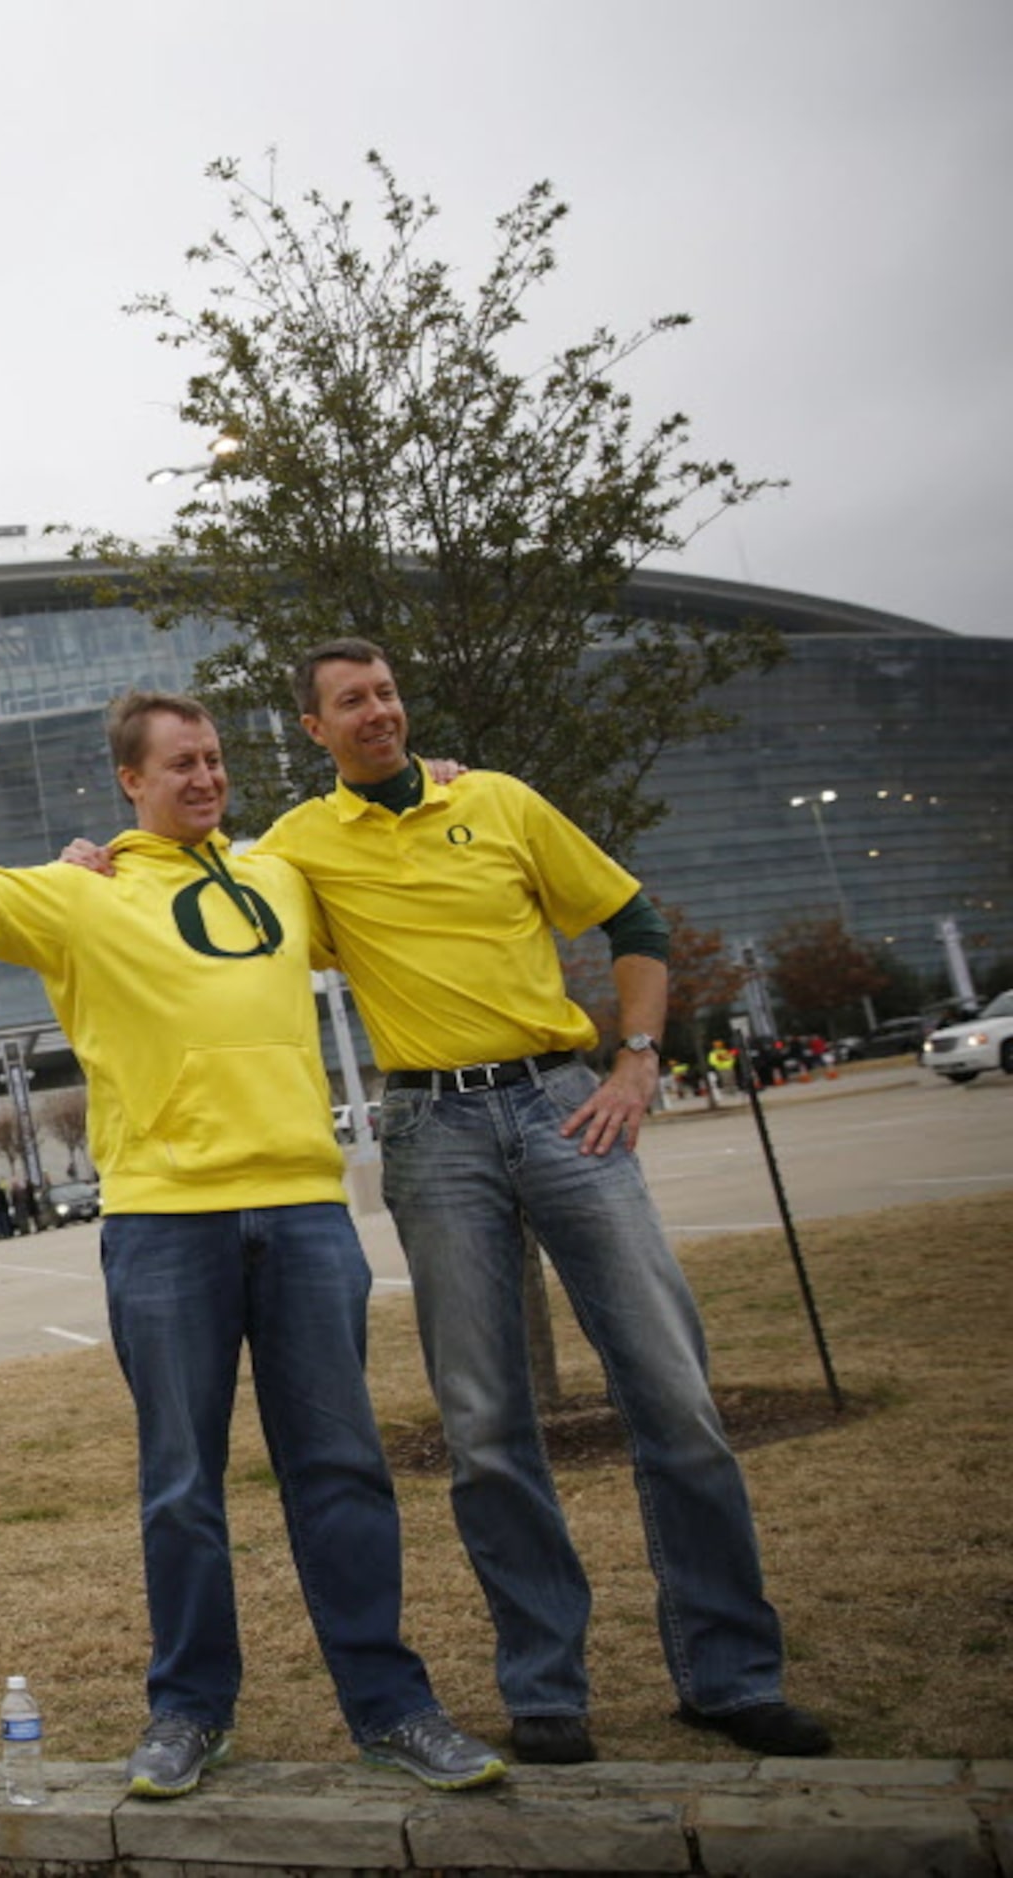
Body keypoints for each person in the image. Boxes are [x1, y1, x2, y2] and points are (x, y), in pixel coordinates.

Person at [0, 688, 504, 1800]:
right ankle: (185, 1712)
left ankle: (392, 1708)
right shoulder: (80, 897)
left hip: (305, 1215)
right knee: (181, 1483)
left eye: (213, 759)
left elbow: (384, 870)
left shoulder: (277, 873)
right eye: (179, 764)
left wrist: (429, 787)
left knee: (342, 1473)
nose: (204, 778)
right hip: (165, 1223)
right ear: (128, 780)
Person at [251, 638, 830, 1764]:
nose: (376, 711)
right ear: (312, 732)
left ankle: (726, 1676)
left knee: (672, 1397)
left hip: (566, 1107)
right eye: (348, 703)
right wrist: (98, 860)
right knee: (483, 1431)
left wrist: (635, 1061)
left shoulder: (502, 802)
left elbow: (638, 927)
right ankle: (545, 1691)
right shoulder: (297, 850)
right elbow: (200, 890)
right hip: (430, 1133)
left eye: (384, 692)